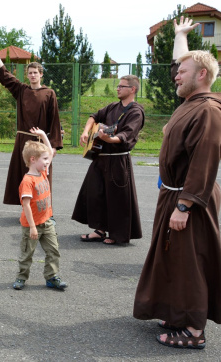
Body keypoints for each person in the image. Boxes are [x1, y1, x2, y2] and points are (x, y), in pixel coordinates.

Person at [133, 16, 221, 350]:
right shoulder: (190, 103)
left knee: (190, 262)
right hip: (174, 195)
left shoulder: (209, 110)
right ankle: (175, 312)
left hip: (190, 199)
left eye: (182, 72)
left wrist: (185, 204)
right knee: (172, 257)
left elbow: (204, 161)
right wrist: (181, 35)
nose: (175, 75)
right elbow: (181, 63)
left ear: (202, 76)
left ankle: (194, 331)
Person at [0, 36, 63, 205]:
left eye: (36, 72)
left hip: (41, 141)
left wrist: (54, 145)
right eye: (30, 73)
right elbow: (3, 73)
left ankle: (45, 210)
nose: (33, 75)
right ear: (27, 75)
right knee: (24, 175)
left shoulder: (49, 93)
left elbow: (55, 120)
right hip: (23, 141)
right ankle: (27, 208)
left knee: (43, 175)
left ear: (41, 74)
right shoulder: (21, 90)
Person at [71, 75, 144, 244]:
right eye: (118, 86)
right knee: (95, 194)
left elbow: (126, 135)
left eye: (122, 86)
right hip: (100, 159)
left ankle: (117, 234)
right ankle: (100, 229)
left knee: (117, 198)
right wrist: (85, 132)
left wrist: (109, 139)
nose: (117, 88)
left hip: (118, 161)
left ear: (132, 89)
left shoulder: (136, 112)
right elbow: (94, 117)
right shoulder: (113, 107)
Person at [12, 127, 67, 291]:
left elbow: (50, 152)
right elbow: (26, 205)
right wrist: (33, 227)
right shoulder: (28, 180)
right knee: (27, 254)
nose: (47, 161)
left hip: (47, 222)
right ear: (33, 159)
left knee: (53, 251)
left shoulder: (43, 172)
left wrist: (43, 135)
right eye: (44, 159)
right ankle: (21, 277)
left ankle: (51, 277)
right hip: (31, 225)